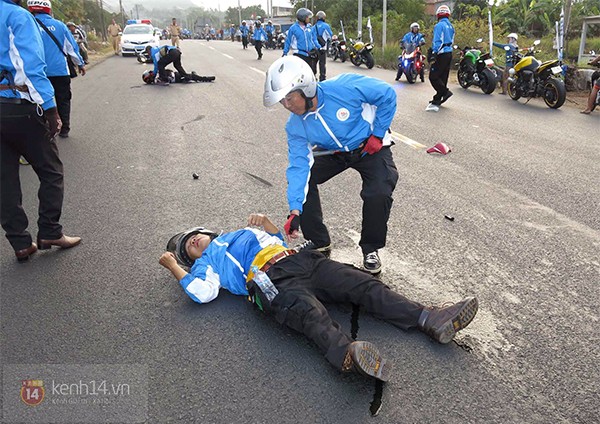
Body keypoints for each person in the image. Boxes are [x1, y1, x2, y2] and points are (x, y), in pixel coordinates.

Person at [159, 213, 479, 382]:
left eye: (195, 235)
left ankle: (429, 318)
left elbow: (276, 238)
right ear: (192, 258)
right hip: (267, 280)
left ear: (207, 230)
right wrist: (174, 266)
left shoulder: (237, 234)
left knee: (363, 285)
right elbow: (201, 293)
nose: (195, 241)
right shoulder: (205, 265)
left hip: (301, 260)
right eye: (189, 245)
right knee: (309, 313)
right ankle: (347, 356)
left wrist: (269, 224)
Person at [263, 56, 398, 275]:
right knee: (306, 179)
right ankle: (319, 240)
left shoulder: (345, 87)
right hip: (334, 152)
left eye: (289, 98)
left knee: (379, 192)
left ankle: (371, 248)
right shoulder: (295, 126)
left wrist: (378, 133)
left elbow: (387, 95)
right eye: (282, 101)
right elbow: (299, 167)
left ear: (305, 88)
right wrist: (295, 209)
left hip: (368, 146)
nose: (286, 106)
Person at [1, 0, 81, 262]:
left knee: (4, 179)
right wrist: (50, 110)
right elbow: (32, 68)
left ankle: (20, 243)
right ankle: (49, 231)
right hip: (20, 106)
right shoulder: (18, 16)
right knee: (51, 170)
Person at [29, 0, 86, 139]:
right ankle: (64, 129)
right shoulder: (60, 26)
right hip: (60, 71)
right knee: (63, 100)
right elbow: (71, 48)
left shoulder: (28, 24)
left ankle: (45, 129)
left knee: (39, 101)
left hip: (37, 73)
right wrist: (80, 64)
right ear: (49, 9)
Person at [426, 5, 455, 112]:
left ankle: (445, 92)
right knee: (443, 77)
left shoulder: (439, 26)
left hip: (441, 53)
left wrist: (434, 52)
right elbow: (452, 40)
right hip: (449, 53)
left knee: (433, 76)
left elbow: (437, 41)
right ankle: (437, 99)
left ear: (438, 14)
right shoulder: (451, 26)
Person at [283, 8, 319, 75]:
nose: (309, 19)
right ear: (303, 18)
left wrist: (317, 47)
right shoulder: (293, 28)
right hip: (299, 55)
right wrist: (285, 53)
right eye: (307, 17)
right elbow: (288, 41)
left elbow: (313, 39)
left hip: (309, 55)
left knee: (311, 74)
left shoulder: (309, 27)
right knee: (301, 75)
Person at [313, 11, 333, 82]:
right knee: (322, 64)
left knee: (314, 64)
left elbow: (312, 38)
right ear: (324, 17)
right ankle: (322, 79)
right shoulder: (326, 26)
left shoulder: (314, 27)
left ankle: (313, 78)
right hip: (322, 49)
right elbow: (330, 35)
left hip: (314, 49)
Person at [141, 69, 215, 84]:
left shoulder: (157, 72)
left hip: (176, 74)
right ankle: (207, 79)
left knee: (191, 76)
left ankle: (193, 76)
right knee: (193, 77)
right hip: (177, 78)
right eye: (150, 73)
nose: (152, 73)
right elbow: (168, 80)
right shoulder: (157, 80)